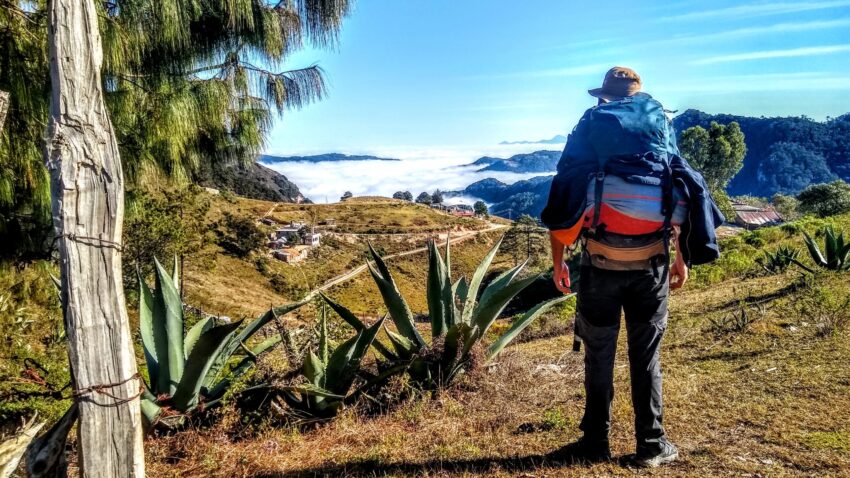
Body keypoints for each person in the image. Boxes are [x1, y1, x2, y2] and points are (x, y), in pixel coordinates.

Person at [540, 67, 724, 467]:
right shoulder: (662, 135)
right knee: (646, 357)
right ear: (640, 97)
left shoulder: (591, 135)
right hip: (651, 266)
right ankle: (652, 445)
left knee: (599, 354)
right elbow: (680, 199)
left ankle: (594, 443)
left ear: (604, 98)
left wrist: (558, 264)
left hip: (600, 265)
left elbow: (564, 206)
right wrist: (681, 258)